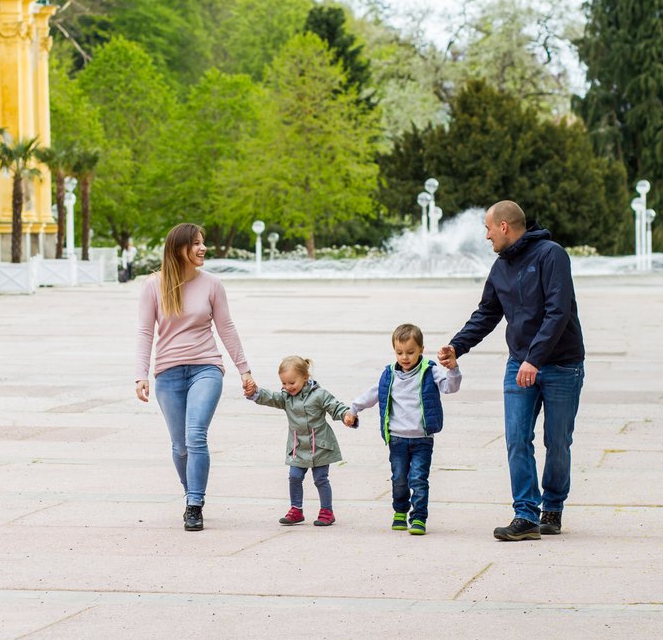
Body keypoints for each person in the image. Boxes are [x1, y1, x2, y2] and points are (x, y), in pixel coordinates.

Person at [437, 200, 585, 542]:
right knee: (517, 439)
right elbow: (487, 313)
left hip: (561, 363)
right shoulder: (500, 267)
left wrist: (535, 359)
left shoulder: (551, 255)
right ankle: (525, 514)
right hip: (520, 363)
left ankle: (553, 507)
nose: (486, 236)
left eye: (488, 228)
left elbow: (557, 311)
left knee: (557, 441)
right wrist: (457, 346)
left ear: (504, 226)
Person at [135, 223, 253, 532]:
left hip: (206, 368)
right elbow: (146, 331)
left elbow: (226, 327)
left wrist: (244, 369)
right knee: (179, 445)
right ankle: (191, 493)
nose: (202, 248)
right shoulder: (153, 285)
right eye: (195, 244)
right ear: (178, 249)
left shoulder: (212, 284)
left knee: (195, 434)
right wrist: (141, 374)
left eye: (203, 243)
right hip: (168, 374)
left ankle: (194, 505)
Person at [346, 324, 461, 535]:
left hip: (422, 438)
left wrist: (453, 369)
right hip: (397, 438)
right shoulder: (389, 374)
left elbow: (449, 387)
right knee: (399, 478)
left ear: (421, 350)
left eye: (410, 352)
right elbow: (373, 394)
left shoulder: (429, 370)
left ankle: (418, 518)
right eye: (399, 352)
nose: (405, 357)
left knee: (418, 478)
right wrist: (353, 408)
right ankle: (400, 511)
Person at [244, 356, 352, 527]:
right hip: (298, 447)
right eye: (284, 384)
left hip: (320, 445)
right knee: (294, 477)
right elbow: (271, 397)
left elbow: (335, 406)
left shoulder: (319, 394)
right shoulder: (287, 397)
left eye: (292, 383)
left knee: (320, 479)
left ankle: (327, 511)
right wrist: (255, 393)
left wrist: (347, 415)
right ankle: (296, 510)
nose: (288, 387)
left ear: (305, 377)